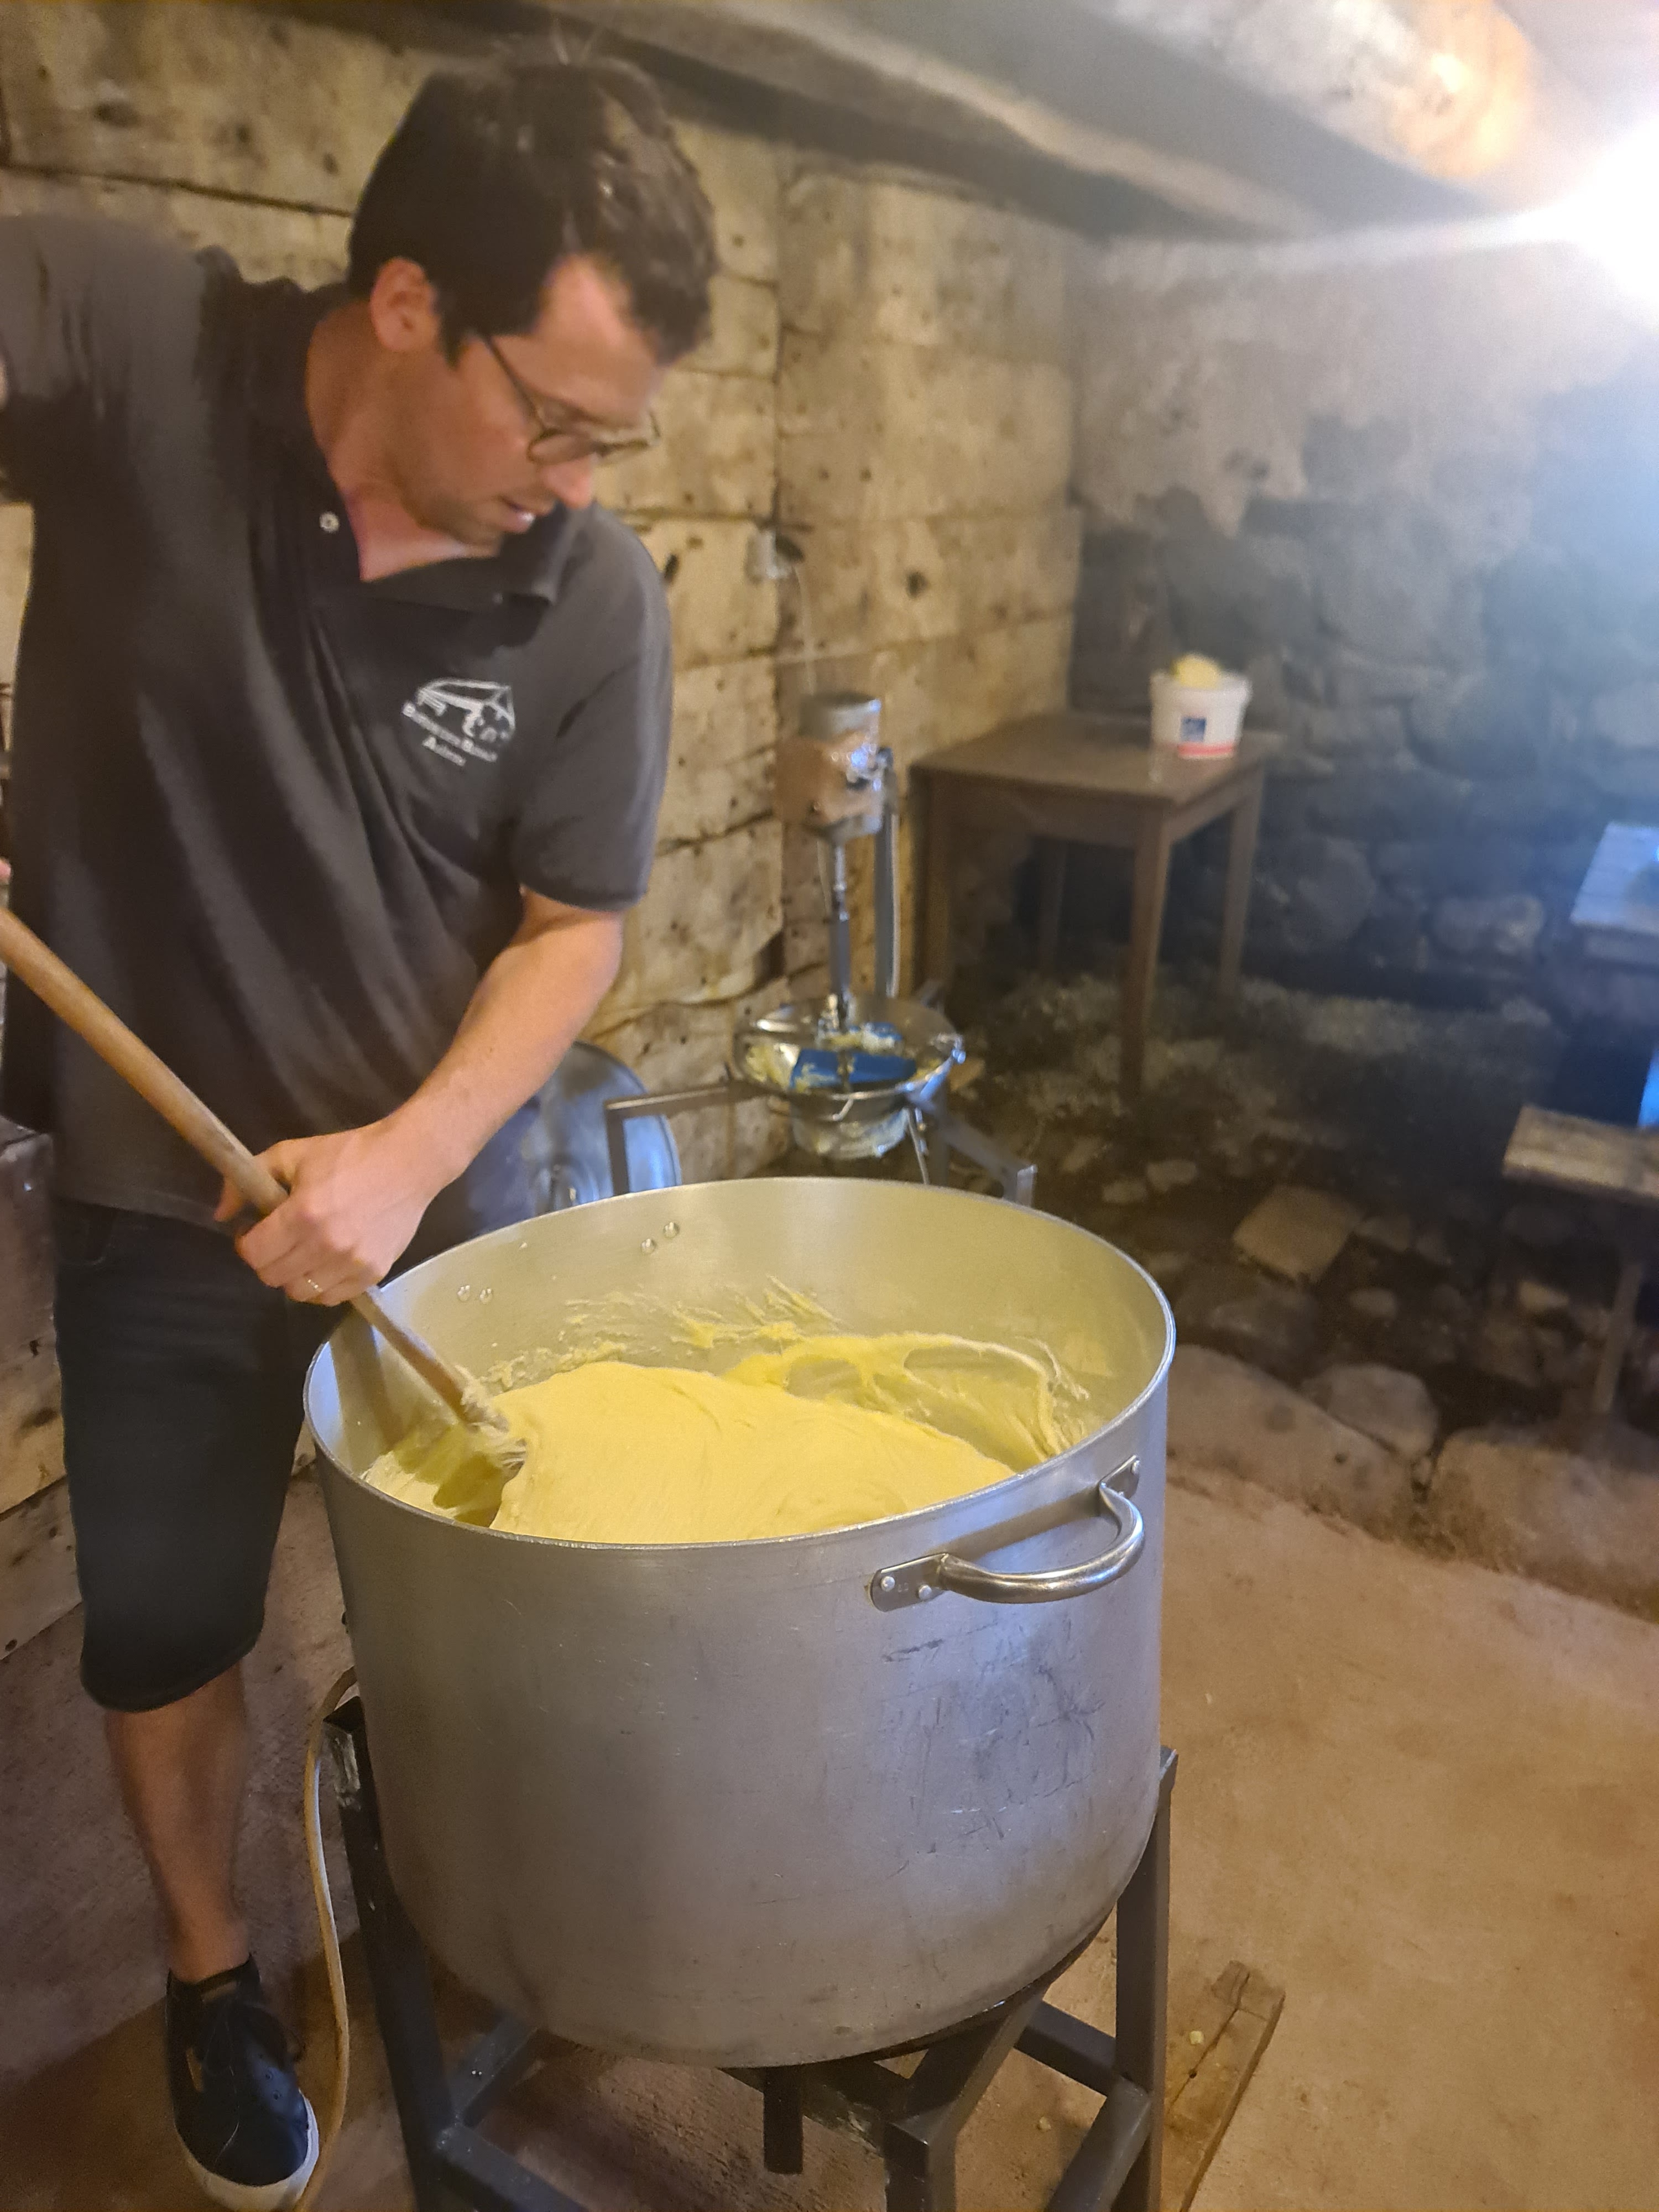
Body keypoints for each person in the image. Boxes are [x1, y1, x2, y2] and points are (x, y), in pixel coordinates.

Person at [0, 56, 715, 2209]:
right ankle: (210, 1972)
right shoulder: (134, 353)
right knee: (167, 1619)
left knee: (485, 1597)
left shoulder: (588, 596)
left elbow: (573, 931)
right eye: (554, 419)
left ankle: (475, 1878)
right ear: (407, 307)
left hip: (441, 1198)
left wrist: (405, 1156)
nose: (575, 484)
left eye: (612, 441)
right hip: (160, 1201)